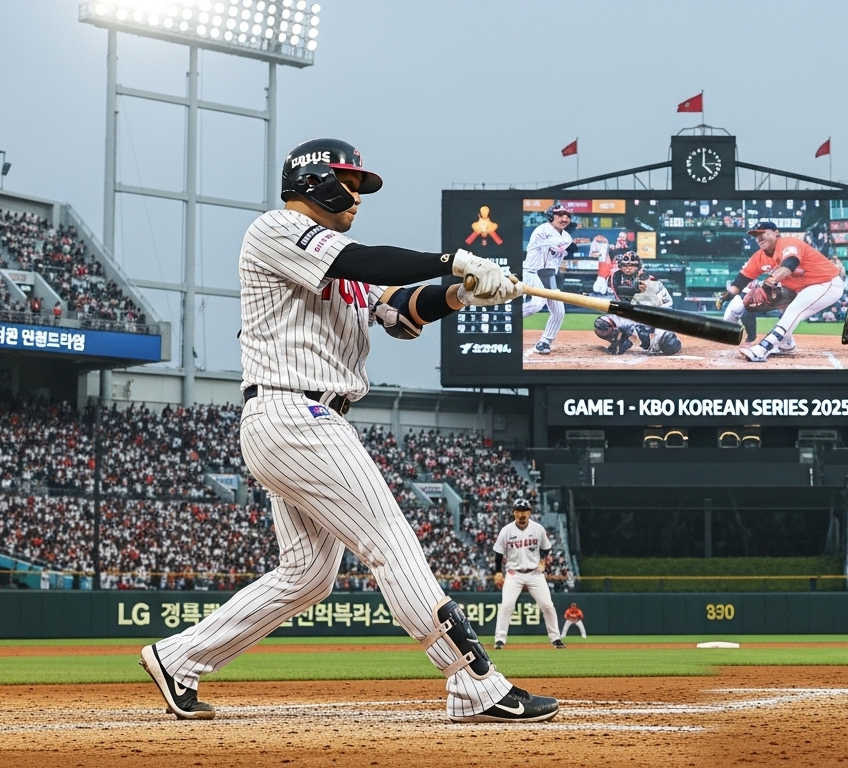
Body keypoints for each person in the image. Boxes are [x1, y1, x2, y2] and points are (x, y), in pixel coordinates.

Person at [137, 137, 558, 724]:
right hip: (294, 415)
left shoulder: (341, 262)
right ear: (314, 181)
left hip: (299, 421)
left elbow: (404, 311)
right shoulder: (276, 230)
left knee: (306, 577)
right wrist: (456, 260)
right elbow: (362, 260)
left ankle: (179, 656)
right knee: (390, 543)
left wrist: (464, 293)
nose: (357, 195)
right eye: (350, 183)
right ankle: (472, 682)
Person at [722, 221, 844, 362]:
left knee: (795, 308)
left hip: (827, 283)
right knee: (780, 301)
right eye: (756, 235)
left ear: (776, 232)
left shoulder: (789, 244)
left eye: (763, 233)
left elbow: (790, 264)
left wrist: (772, 279)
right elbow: (742, 278)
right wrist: (729, 294)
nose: (759, 238)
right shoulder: (759, 257)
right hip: (801, 289)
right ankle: (786, 343)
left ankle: (763, 349)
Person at [493, 497, 565, 649]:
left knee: (548, 606)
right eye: (518, 511)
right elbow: (498, 554)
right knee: (506, 606)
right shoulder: (506, 531)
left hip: (534, 573)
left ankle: (555, 638)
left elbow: (546, 548)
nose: (521, 514)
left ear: (529, 513)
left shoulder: (538, 529)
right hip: (514, 573)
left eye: (524, 511)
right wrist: (497, 572)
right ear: (514, 513)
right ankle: (499, 640)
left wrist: (543, 561)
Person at [592, 251, 682, 355]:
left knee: (670, 344)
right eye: (625, 265)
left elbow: (657, 307)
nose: (628, 268)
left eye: (632, 265)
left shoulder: (649, 281)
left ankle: (656, 341)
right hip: (630, 314)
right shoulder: (614, 279)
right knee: (601, 324)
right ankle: (621, 342)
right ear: (620, 266)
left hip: (656, 315)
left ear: (638, 267)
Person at [522, 204, 574, 354]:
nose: (564, 218)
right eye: (560, 215)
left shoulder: (567, 237)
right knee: (536, 304)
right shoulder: (541, 230)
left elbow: (560, 249)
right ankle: (506, 320)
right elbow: (554, 243)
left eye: (567, 216)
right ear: (551, 216)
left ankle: (545, 342)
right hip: (532, 272)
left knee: (559, 311)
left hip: (549, 275)